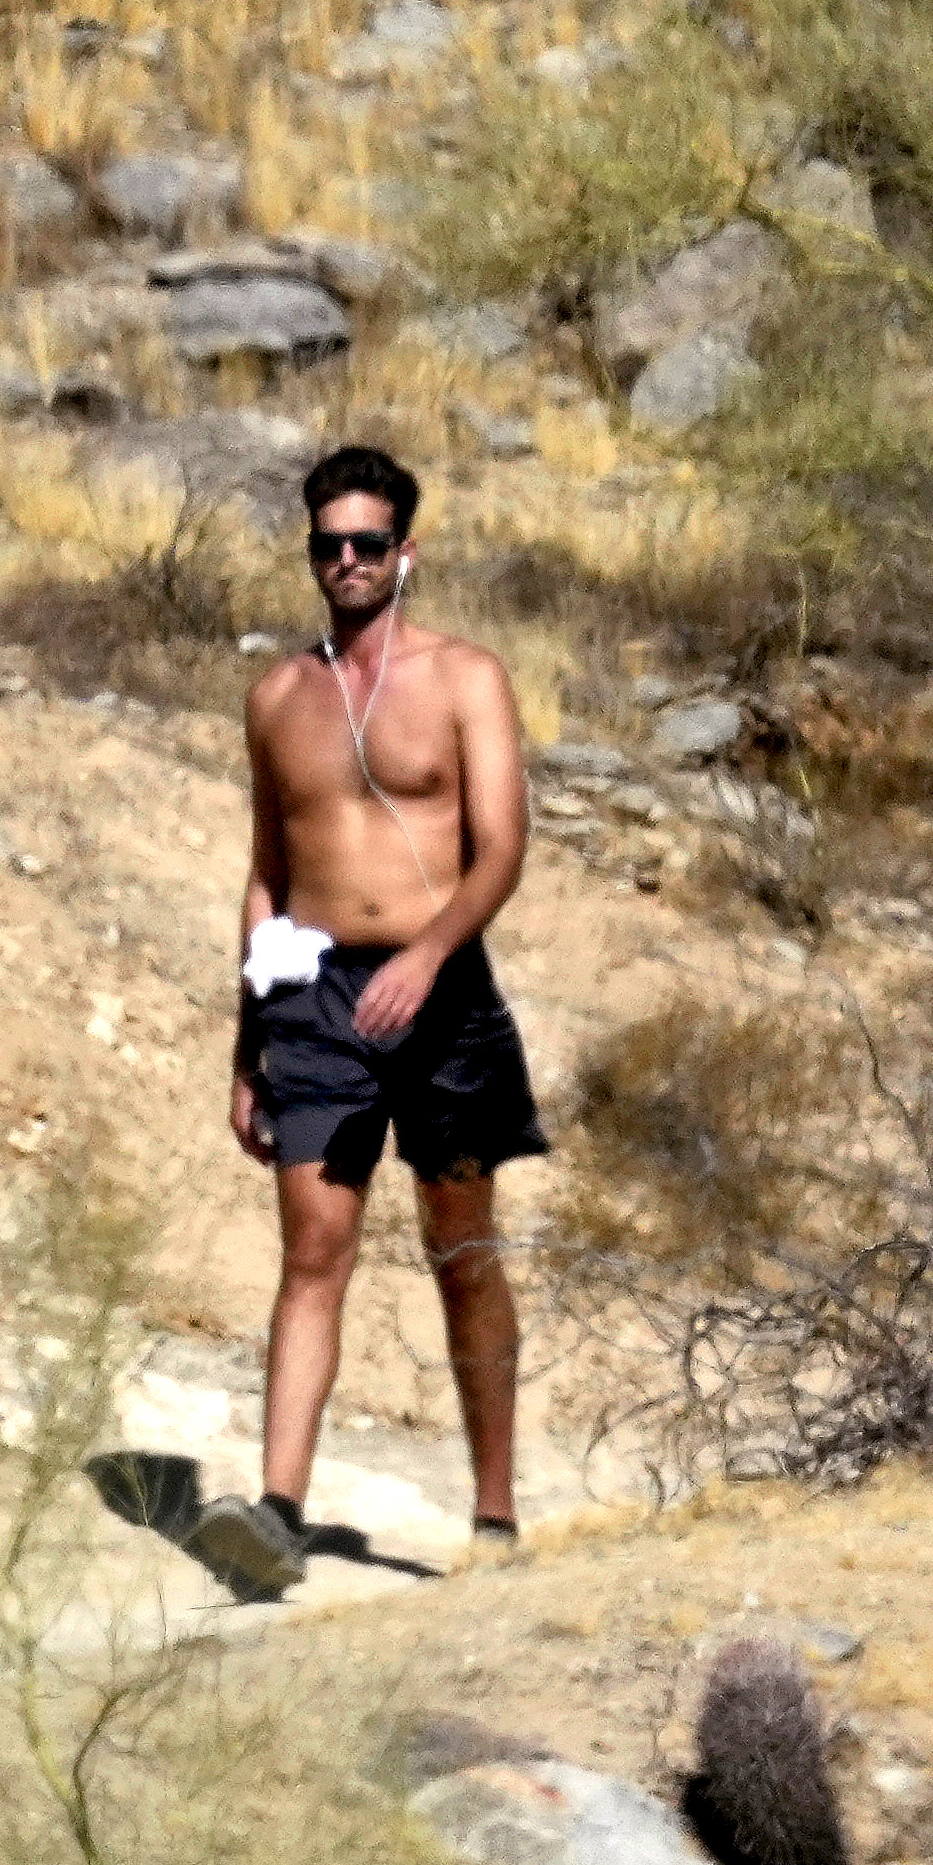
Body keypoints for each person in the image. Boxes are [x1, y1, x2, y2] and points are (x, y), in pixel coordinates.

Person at [189, 444, 541, 1600]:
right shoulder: (276, 699)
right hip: (313, 999)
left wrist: (431, 952)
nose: (346, 561)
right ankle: (276, 1514)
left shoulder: (462, 677)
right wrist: (249, 1035)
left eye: (367, 543)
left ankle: (492, 1514)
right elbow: (263, 873)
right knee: (312, 1250)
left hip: (439, 994)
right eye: (327, 544)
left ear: (404, 553)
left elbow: (500, 847)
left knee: (460, 1249)